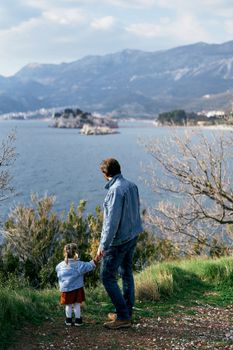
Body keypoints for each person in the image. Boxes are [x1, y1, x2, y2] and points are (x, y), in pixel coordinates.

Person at [97, 158, 143, 330]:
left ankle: (123, 316)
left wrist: (103, 246)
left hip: (119, 241)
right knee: (126, 273)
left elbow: (111, 223)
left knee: (107, 276)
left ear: (105, 174)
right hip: (132, 236)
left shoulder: (115, 191)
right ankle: (126, 311)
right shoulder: (132, 186)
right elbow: (135, 211)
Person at [55, 243, 98, 326]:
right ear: (76, 253)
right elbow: (90, 265)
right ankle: (78, 321)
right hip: (77, 288)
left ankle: (68, 320)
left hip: (65, 289)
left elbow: (57, 271)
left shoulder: (60, 265)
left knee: (68, 305)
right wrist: (97, 258)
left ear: (65, 253)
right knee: (76, 304)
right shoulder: (79, 264)